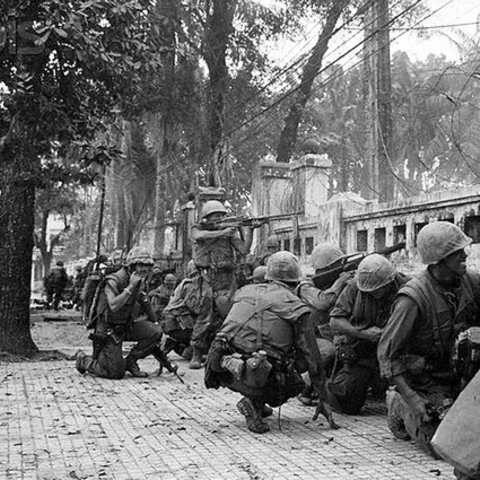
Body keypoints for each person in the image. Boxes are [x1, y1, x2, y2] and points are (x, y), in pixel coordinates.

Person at [377, 221, 480, 466]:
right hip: (428, 383)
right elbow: (387, 355)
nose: (465, 255)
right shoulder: (413, 298)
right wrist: (411, 397)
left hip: (463, 376)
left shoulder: (470, 281)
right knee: (446, 445)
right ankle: (399, 405)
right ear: (439, 259)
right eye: (458, 253)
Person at [204, 251, 339, 434]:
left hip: (222, 370)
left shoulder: (244, 291)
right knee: (296, 379)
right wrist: (323, 398)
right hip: (257, 372)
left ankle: (257, 402)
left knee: (254, 352)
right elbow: (312, 357)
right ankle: (254, 401)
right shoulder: (296, 306)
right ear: (295, 281)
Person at [327, 253, 409, 414]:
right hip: (365, 350)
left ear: (389, 283)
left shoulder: (408, 288)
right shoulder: (355, 287)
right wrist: (364, 334)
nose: (371, 294)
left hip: (399, 351)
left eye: (376, 290)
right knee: (346, 402)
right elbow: (335, 321)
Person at [75, 246, 166, 379]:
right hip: (108, 330)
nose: (144, 270)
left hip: (126, 326)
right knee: (115, 373)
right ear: (131, 266)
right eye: (140, 266)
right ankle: (84, 360)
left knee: (156, 332)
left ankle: (131, 362)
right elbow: (113, 306)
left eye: (147, 266)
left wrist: (158, 325)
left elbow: (144, 300)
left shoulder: (141, 279)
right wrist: (130, 287)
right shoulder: (114, 280)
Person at [190, 200, 258, 369]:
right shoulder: (198, 228)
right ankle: (197, 353)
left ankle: (225, 351)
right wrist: (224, 232)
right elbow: (199, 237)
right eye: (216, 216)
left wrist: (249, 231)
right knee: (204, 314)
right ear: (207, 218)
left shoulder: (229, 234)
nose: (220, 218)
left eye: (222, 215)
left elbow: (244, 250)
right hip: (205, 277)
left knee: (229, 314)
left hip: (226, 277)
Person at [295, 243, 353, 405]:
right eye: (336, 265)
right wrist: (340, 282)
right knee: (329, 351)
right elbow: (323, 302)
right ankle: (306, 388)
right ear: (325, 268)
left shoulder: (330, 284)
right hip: (307, 339)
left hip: (326, 334)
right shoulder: (304, 286)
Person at [162, 261, 204, 359]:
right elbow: (194, 307)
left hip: (174, 319)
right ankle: (177, 344)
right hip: (175, 321)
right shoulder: (189, 285)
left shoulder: (187, 283)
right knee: (201, 328)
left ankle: (178, 345)